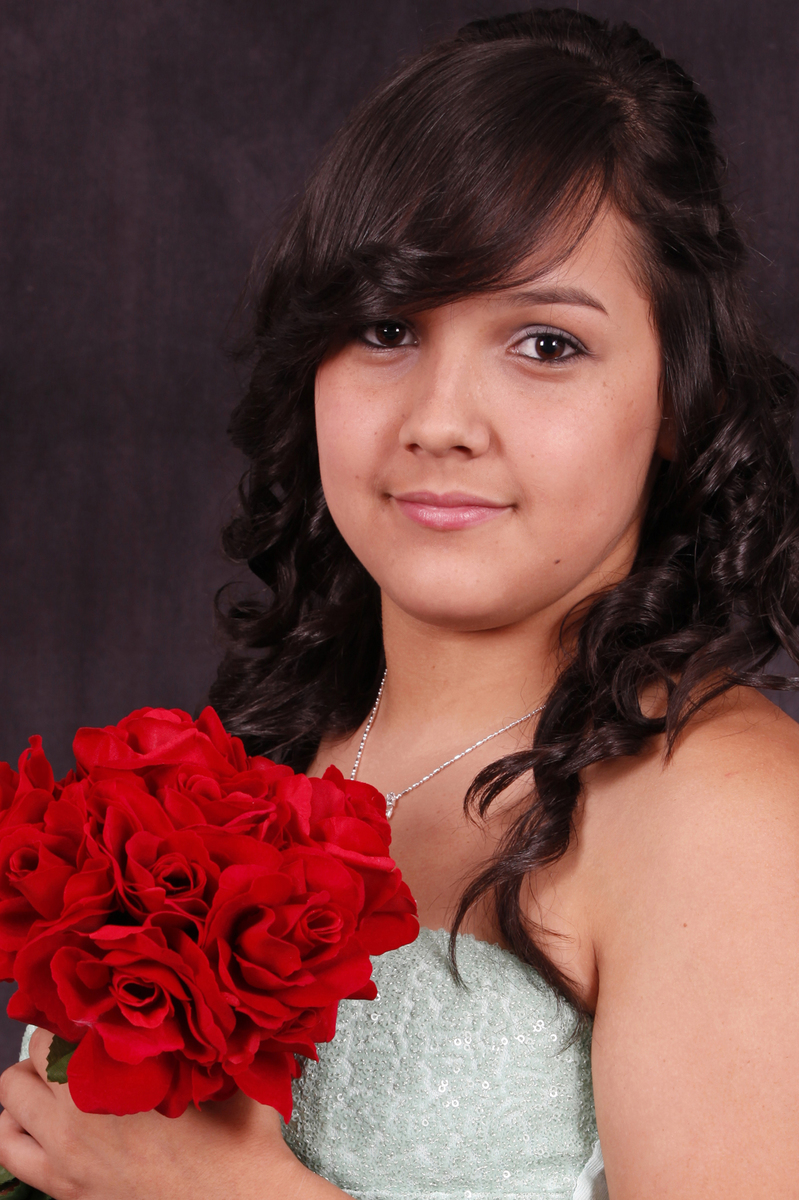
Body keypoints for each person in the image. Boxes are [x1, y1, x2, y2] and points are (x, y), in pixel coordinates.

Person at [1, 8, 798, 1198]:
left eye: (544, 344)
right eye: (385, 328)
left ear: (680, 399)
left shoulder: (723, 807)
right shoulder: (271, 750)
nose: (439, 420)